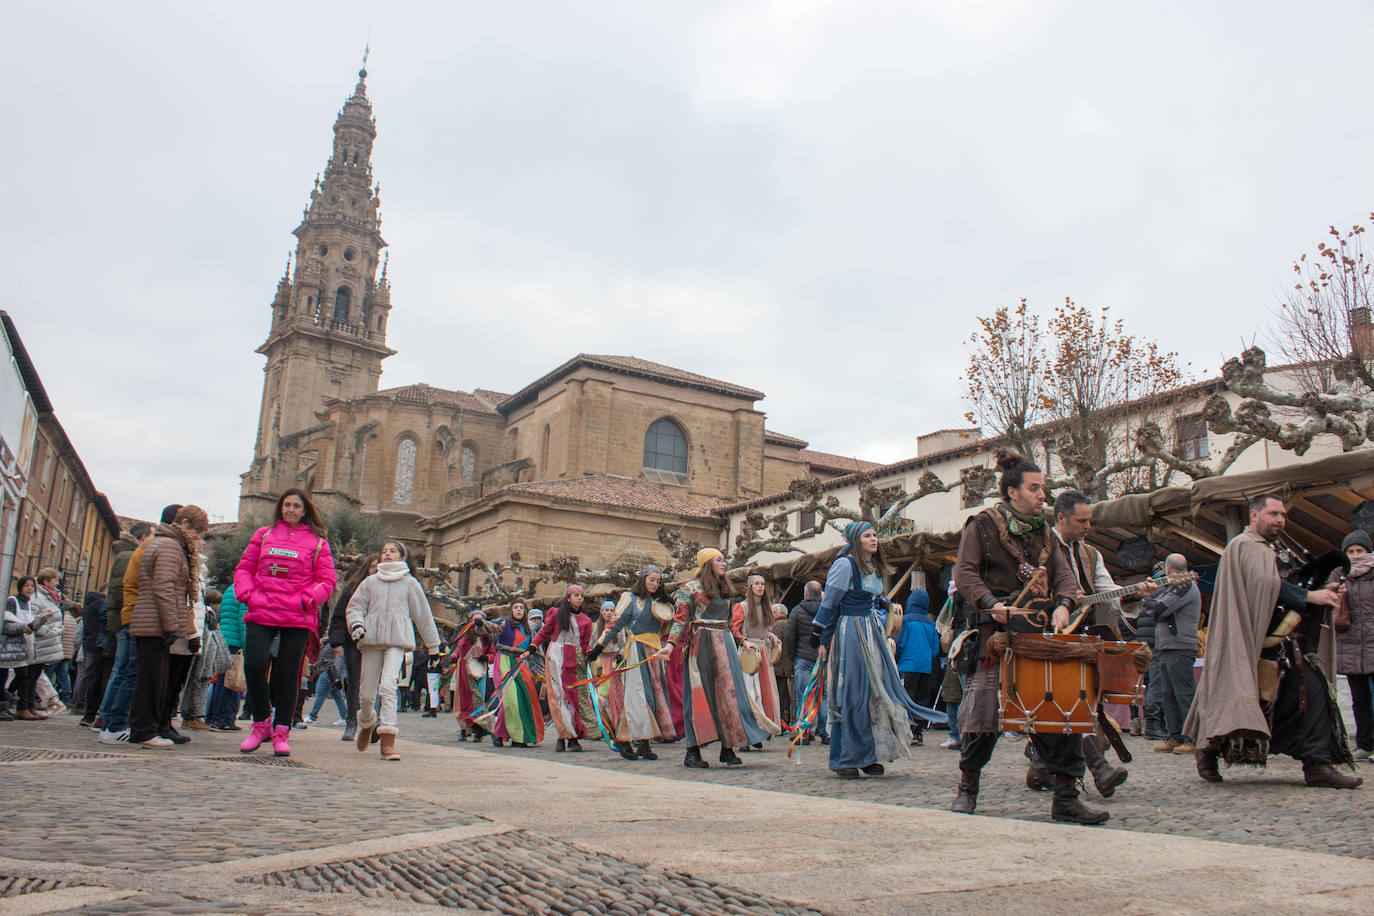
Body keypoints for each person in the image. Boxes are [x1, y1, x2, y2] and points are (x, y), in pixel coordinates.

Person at [950, 449, 1107, 824]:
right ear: (1012, 492)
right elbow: (965, 573)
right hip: (994, 637)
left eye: (1043, 488)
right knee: (983, 719)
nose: (1042, 495)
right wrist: (991, 604)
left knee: (1060, 713)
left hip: (1038, 635)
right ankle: (967, 789)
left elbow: (1063, 575)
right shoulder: (982, 525)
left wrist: (1064, 604)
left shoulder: (1045, 533)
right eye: (1035, 488)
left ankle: (1066, 799)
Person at [1184, 494, 1359, 789]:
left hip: (1286, 643)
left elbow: (1289, 583)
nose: (1280, 520)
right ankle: (1209, 749)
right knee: (1234, 698)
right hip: (1249, 642)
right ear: (1255, 515)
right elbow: (1265, 584)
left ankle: (1317, 765)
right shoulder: (1243, 545)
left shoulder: (1275, 550)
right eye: (1273, 514)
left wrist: (1323, 589)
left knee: (1315, 693)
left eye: (1283, 515)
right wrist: (1309, 596)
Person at [1026, 490, 1141, 798]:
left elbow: (1107, 591)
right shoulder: (1039, 548)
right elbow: (1027, 592)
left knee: (1073, 703)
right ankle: (1099, 769)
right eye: (1082, 521)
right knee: (1068, 703)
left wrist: (1135, 592)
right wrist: (1060, 601)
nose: (1088, 527)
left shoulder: (1091, 554)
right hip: (1048, 636)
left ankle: (1040, 767)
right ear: (1061, 518)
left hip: (1083, 637)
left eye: (1089, 520)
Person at [812, 522, 941, 779]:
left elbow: (874, 598)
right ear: (855, 540)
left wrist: (883, 603)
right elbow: (831, 602)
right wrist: (818, 632)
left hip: (873, 630)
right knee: (853, 692)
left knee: (875, 691)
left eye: (875, 535)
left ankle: (868, 756)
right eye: (867, 535)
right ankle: (845, 758)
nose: (873, 539)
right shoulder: (845, 565)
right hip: (852, 631)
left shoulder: (874, 566)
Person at [234, 487, 337, 758]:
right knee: (254, 665)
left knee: (289, 674)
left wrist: (306, 600)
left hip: (296, 613)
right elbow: (244, 568)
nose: (291, 509)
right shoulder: (263, 535)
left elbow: (327, 580)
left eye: (296, 506)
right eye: (287, 504)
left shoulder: (317, 542)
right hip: (261, 608)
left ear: (304, 511)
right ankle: (261, 724)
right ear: (280, 507)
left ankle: (281, 731)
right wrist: (247, 594)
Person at [667, 549, 770, 769]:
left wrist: (742, 642)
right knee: (699, 696)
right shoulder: (690, 588)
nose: (724, 563)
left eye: (724, 560)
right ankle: (692, 751)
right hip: (701, 644)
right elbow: (680, 620)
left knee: (730, 695)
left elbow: (730, 624)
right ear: (706, 563)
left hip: (725, 645)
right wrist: (670, 644)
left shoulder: (726, 590)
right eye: (719, 560)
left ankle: (728, 747)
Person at [346, 539, 440, 761]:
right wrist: (357, 625)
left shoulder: (410, 584)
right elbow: (355, 607)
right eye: (384, 551)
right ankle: (367, 722)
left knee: (388, 686)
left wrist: (433, 646)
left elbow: (423, 615)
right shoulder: (370, 582)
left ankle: (388, 739)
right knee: (366, 694)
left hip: (398, 640)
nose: (387, 554)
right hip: (371, 639)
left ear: (402, 557)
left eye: (392, 551)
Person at [128, 505, 209, 749]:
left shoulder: (165, 544)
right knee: (152, 680)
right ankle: (144, 731)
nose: (197, 538)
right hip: (155, 621)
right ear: (184, 524)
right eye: (197, 532)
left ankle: (146, 728)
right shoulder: (170, 547)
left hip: (153, 619)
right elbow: (164, 587)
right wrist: (171, 625)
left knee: (154, 678)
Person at [587, 565, 676, 760]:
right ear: (643, 579)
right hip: (637, 651)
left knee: (653, 696)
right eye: (651, 580)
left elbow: (669, 625)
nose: (655, 584)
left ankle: (644, 742)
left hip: (655, 652)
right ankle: (624, 739)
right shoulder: (631, 599)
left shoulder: (658, 602)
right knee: (638, 695)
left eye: (658, 581)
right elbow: (615, 624)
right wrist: (598, 647)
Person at [97, 519, 158, 745]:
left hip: (126, 617)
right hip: (128, 619)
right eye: (152, 536)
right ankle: (109, 721)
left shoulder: (125, 555)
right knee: (124, 669)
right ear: (143, 538)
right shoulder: (128, 556)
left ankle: (107, 719)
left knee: (123, 669)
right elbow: (124, 590)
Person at [526, 584, 597, 752]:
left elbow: (585, 643)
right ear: (568, 597)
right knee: (559, 696)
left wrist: (589, 653)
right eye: (576, 595)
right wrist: (532, 647)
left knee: (574, 697)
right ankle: (563, 735)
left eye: (581, 595)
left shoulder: (586, 621)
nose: (579, 598)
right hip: (557, 656)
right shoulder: (557, 614)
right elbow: (544, 632)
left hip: (576, 659)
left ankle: (572, 736)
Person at [1151, 554, 1201, 755]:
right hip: (1168, 647)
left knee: (1183, 694)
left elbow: (1159, 609)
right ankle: (1175, 736)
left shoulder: (1184, 585)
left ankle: (1192, 737)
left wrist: (1152, 599)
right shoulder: (1174, 586)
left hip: (1180, 647)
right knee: (1168, 695)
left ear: (1168, 570)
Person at [327, 556, 377, 742]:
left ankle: (373, 723)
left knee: (376, 684)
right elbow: (340, 615)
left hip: (377, 642)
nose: (376, 570)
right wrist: (337, 641)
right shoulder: (353, 588)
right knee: (354, 682)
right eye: (373, 567)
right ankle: (351, 722)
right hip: (353, 641)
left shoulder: (388, 589)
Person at [730, 574, 784, 744]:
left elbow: (766, 631)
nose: (760, 586)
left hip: (763, 654)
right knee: (750, 695)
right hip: (748, 655)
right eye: (756, 584)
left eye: (762, 584)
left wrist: (773, 637)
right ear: (750, 587)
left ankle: (761, 730)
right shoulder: (742, 607)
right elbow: (734, 629)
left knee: (765, 694)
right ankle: (747, 732)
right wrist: (744, 642)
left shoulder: (767, 607)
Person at [1335, 530, 1374, 761]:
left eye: (1360, 550)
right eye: (1351, 551)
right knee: (1359, 699)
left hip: (1372, 642)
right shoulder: (1338, 574)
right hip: (1350, 645)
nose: (1356, 555)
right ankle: (1365, 744)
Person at [490, 598, 544, 748]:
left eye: (521, 607)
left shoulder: (529, 629)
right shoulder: (503, 623)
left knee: (524, 699)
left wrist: (540, 671)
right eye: (516, 607)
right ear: (511, 610)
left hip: (521, 665)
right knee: (509, 700)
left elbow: (535, 650)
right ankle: (503, 733)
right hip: (504, 662)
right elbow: (489, 628)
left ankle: (517, 737)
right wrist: (480, 623)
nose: (519, 610)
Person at [2, 576, 54, 720]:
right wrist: (23, 628)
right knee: (16, 675)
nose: (30, 588)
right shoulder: (12, 601)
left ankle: (9, 701)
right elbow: (6, 623)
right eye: (26, 585)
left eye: (32, 586)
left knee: (22, 675)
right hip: (9, 645)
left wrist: (39, 622)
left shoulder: (28, 604)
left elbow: (29, 626)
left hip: (22, 645)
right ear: (20, 587)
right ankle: (9, 701)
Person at [895, 589, 940, 745]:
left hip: (908, 664)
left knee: (908, 697)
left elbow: (900, 642)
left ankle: (907, 730)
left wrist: (897, 658)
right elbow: (935, 648)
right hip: (925, 665)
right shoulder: (931, 623)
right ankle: (918, 732)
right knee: (922, 699)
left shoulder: (905, 620)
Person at [784, 580, 826, 745]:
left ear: (806, 593)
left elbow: (789, 636)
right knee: (823, 696)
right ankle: (824, 732)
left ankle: (805, 733)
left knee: (804, 696)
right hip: (821, 658)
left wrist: (792, 656)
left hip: (802, 658)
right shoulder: (827, 610)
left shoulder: (797, 610)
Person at [207, 583, 246, 731]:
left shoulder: (231, 588)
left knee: (222, 681)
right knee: (230, 682)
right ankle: (222, 719)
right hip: (235, 640)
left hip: (224, 638)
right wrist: (246, 644)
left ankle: (214, 717)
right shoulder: (245, 590)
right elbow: (243, 620)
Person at [452, 610, 495, 742]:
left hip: (480, 671)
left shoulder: (487, 637)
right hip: (465, 670)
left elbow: (492, 654)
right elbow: (458, 647)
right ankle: (464, 728)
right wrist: (454, 656)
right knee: (463, 700)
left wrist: (486, 658)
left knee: (478, 698)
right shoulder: (465, 635)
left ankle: (478, 729)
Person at [32, 569, 67, 712]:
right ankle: (52, 699)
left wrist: (58, 629)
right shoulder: (38, 597)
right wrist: (46, 631)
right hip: (40, 640)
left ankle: (45, 701)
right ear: (46, 581)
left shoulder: (52, 598)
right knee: (33, 673)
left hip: (48, 641)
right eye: (55, 580)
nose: (57, 583)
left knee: (36, 673)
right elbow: (33, 618)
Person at [303, 634, 347, 725]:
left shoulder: (334, 643)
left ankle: (312, 716)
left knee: (321, 693)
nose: (327, 631)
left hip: (329, 671)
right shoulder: (329, 642)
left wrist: (335, 672)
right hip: (330, 671)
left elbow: (337, 659)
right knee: (337, 695)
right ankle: (345, 716)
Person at [770, 603, 793, 727]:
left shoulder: (776, 626)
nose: (772, 615)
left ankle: (781, 722)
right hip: (788, 666)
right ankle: (787, 719)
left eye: (774, 612)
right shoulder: (790, 624)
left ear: (781, 613)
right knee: (787, 695)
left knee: (779, 695)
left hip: (777, 666)